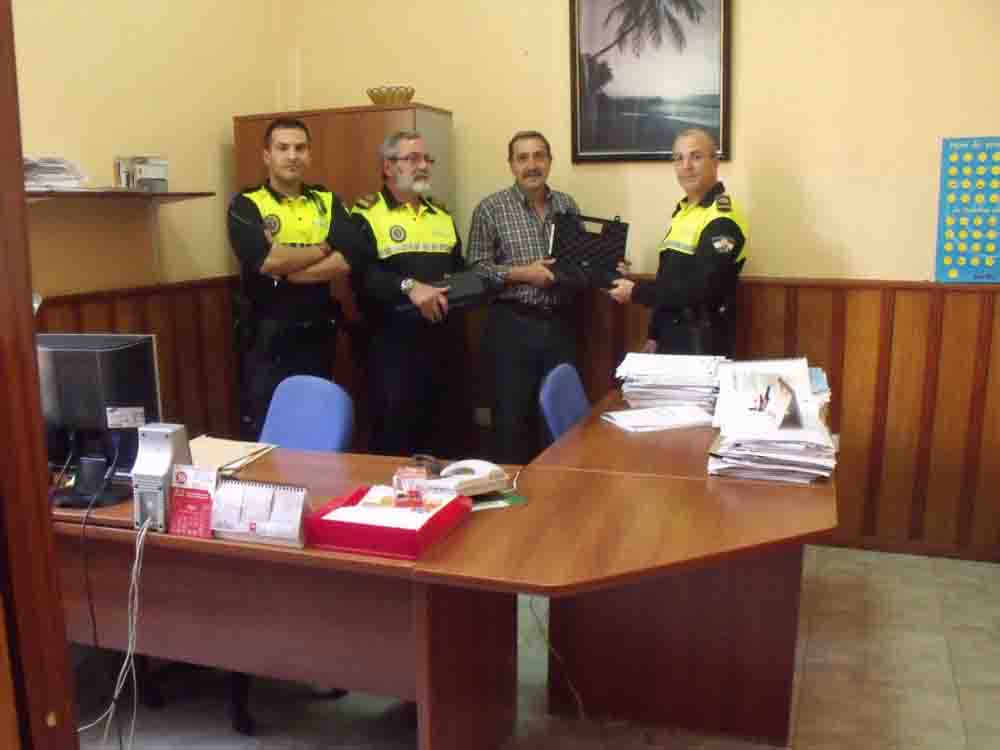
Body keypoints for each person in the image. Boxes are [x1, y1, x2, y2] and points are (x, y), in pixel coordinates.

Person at [227, 117, 365, 440]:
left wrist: (289, 272)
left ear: (309, 155)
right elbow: (265, 260)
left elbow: (349, 257)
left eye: (300, 148)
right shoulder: (247, 204)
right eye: (283, 148)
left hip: (317, 333)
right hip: (266, 334)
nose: (292, 156)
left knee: (314, 424)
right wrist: (324, 246)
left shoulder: (326, 201)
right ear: (267, 155)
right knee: (268, 426)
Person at [467, 130, 582, 464]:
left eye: (539, 156)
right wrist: (522, 273)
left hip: (561, 326)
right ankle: (515, 492)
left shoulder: (567, 205)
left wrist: (607, 267)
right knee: (512, 423)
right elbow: (475, 270)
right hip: (511, 328)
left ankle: (558, 493)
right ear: (511, 165)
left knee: (559, 424)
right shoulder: (490, 209)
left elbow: (578, 262)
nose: (532, 165)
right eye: (523, 158)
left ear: (550, 161)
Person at [351, 130, 464, 456]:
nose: (423, 166)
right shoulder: (366, 214)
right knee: (396, 445)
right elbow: (361, 275)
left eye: (426, 159)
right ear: (388, 167)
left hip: (443, 346)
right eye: (412, 159)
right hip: (392, 349)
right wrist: (409, 287)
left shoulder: (441, 215)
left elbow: (459, 269)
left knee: (446, 442)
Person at [609, 128, 749, 356]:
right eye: (679, 158)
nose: (686, 166)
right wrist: (655, 334)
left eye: (696, 157)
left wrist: (637, 291)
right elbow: (668, 278)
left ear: (715, 163)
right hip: (671, 337)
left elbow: (702, 287)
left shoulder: (723, 217)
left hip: (703, 343)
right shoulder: (682, 212)